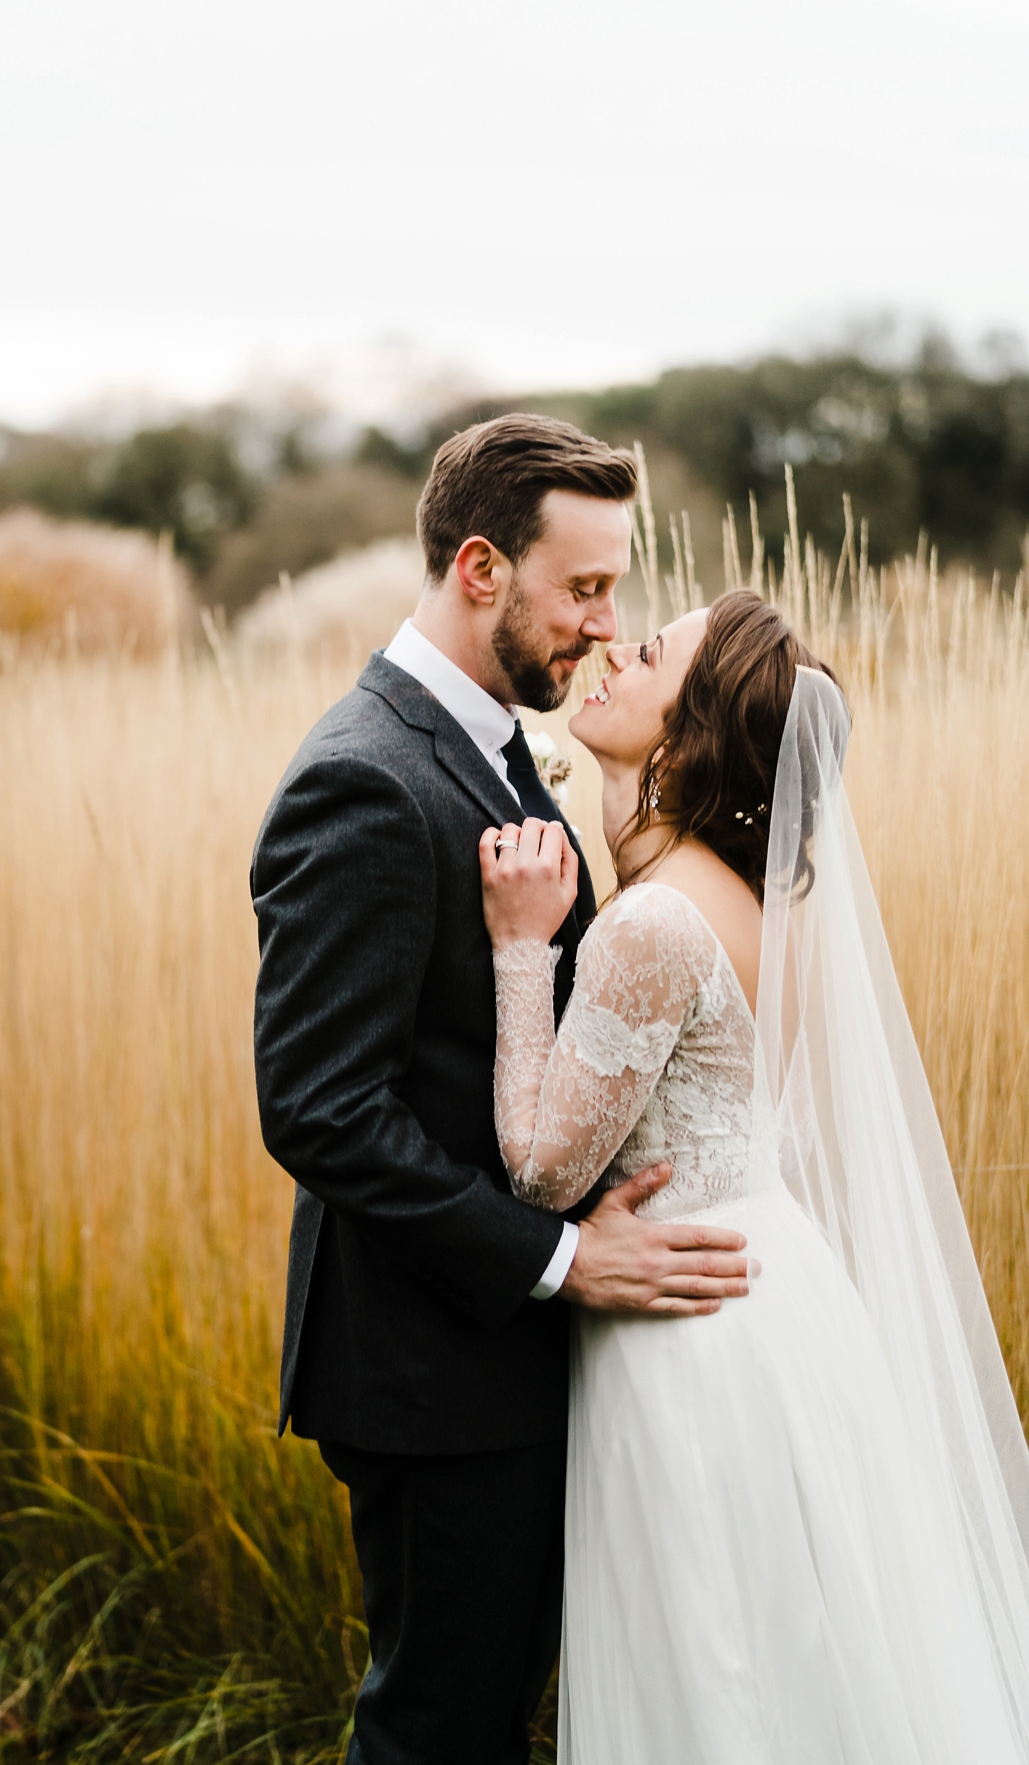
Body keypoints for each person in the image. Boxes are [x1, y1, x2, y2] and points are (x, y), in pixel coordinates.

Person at [251, 415, 756, 1765]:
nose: (605, 625)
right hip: (432, 1373)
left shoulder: (494, 747)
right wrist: (559, 1261)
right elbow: (317, 1107)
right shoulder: (364, 777)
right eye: (584, 589)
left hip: (506, 1366)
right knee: (437, 1733)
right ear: (482, 568)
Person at [481, 590, 1029, 1762]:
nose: (616, 648)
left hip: (692, 1338)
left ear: (685, 742)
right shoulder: (750, 906)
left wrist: (521, 947)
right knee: (792, 1668)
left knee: (718, 1676)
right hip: (776, 1304)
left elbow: (535, 1168)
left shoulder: (651, 928)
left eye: (653, 655)